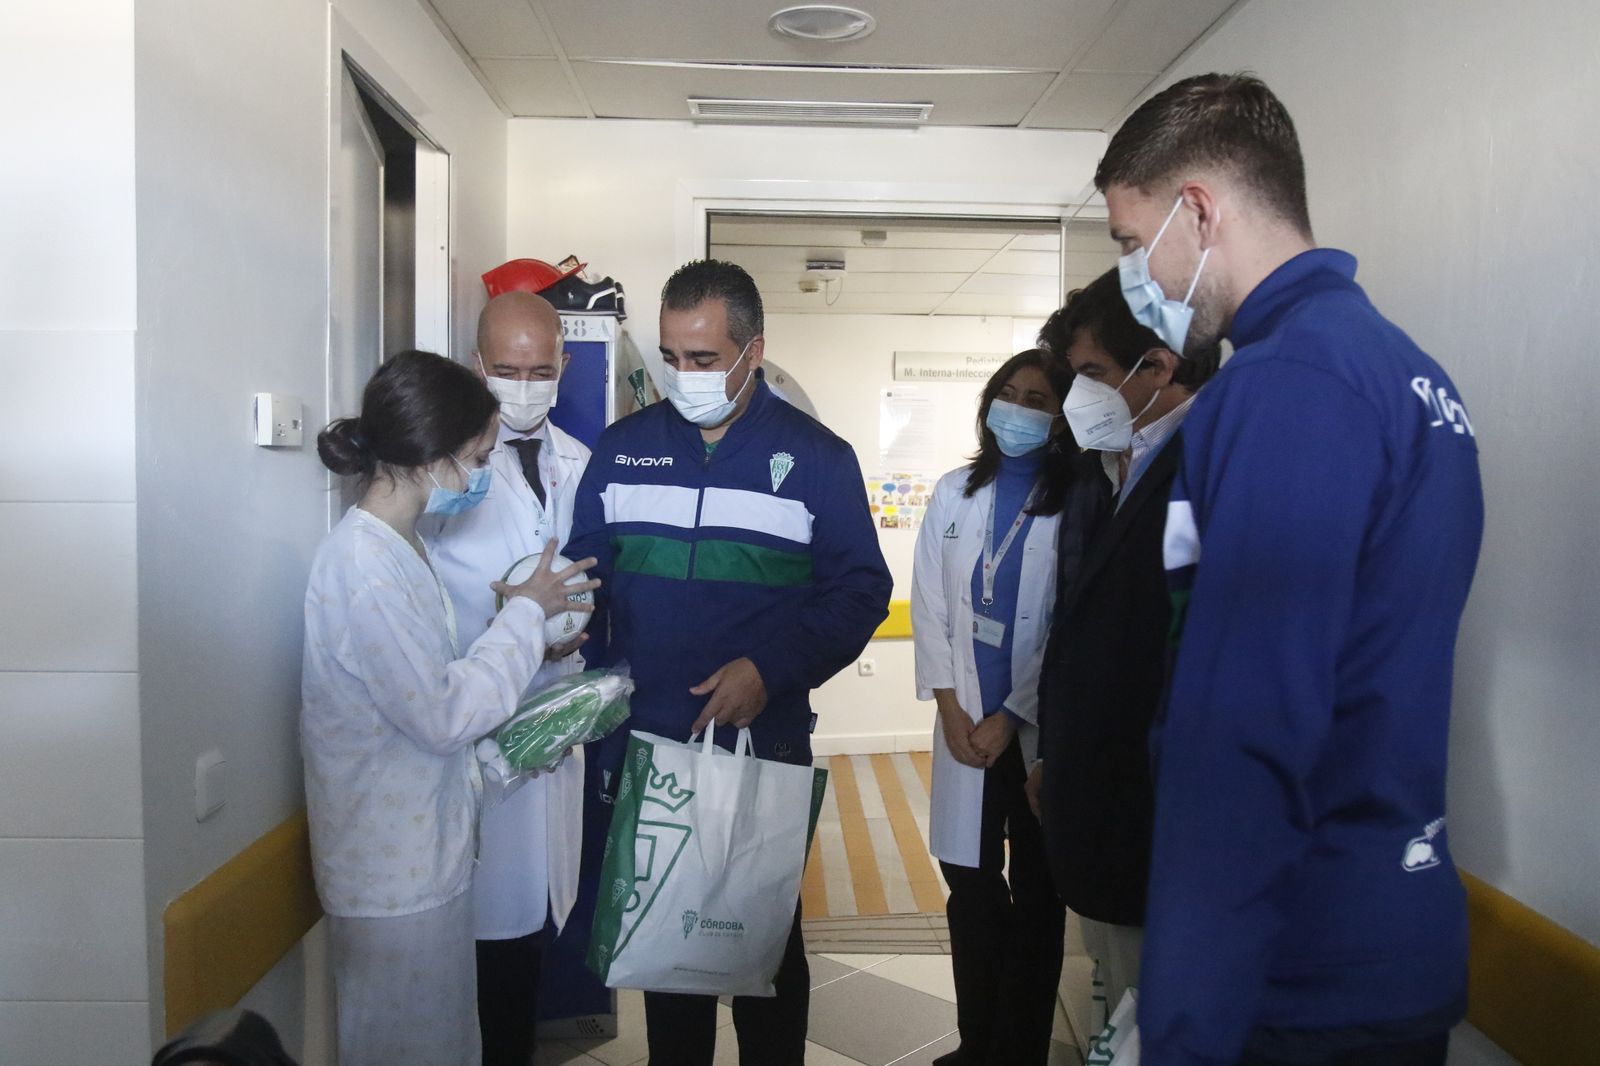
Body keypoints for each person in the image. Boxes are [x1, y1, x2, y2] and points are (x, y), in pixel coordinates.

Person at [1096, 73, 1484, 1065]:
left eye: (1133, 243)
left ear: (1196, 209)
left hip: (1294, 963)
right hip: (1386, 931)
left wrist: (1181, 1025)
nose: (1136, 274)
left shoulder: (1283, 386)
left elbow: (1244, 735)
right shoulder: (1410, 374)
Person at [566, 259, 892, 1066]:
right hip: (649, 748)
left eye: (704, 359)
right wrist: (559, 621)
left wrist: (769, 669)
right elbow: (587, 576)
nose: (684, 376)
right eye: (672, 356)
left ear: (753, 352)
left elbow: (860, 593)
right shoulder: (623, 450)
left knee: (764, 950)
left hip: (761, 743)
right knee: (669, 957)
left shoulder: (818, 458)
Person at [301, 350, 598, 1066]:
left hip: (423, 860)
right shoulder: (364, 566)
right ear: (431, 458)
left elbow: (419, 711)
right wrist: (526, 615)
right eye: (477, 458)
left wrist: (523, 747)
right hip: (390, 881)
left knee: (445, 1046)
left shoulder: (401, 550)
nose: (481, 476)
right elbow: (440, 715)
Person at [1025, 268, 1221, 1024]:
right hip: (1094, 794)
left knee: (1159, 1017)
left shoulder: (1208, 464)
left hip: (1159, 816)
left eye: (1093, 375)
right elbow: (1073, 627)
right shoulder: (1106, 466)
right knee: (1117, 1009)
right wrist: (1055, 753)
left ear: (1160, 368)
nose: (1081, 397)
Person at [419, 292, 590, 1066]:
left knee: (537, 931)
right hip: (476, 737)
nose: (525, 386)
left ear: (565, 367)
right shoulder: (444, 477)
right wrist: (517, 631)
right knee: (488, 953)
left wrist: (568, 633)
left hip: (554, 726)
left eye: (542, 370)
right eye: (509, 370)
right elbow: (426, 612)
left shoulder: (582, 462)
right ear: (477, 365)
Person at [910, 348, 1075, 1066]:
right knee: (970, 886)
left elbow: (1065, 622)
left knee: (1038, 899)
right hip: (962, 724)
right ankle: (980, 1042)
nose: (1017, 407)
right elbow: (931, 604)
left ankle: (1020, 1050)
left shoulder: (1079, 501)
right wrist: (951, 708)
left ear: (1061, 416)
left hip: (1034, 730)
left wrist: (1012, 714)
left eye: (1036, 398)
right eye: (1008, 393)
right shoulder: (955, 492)